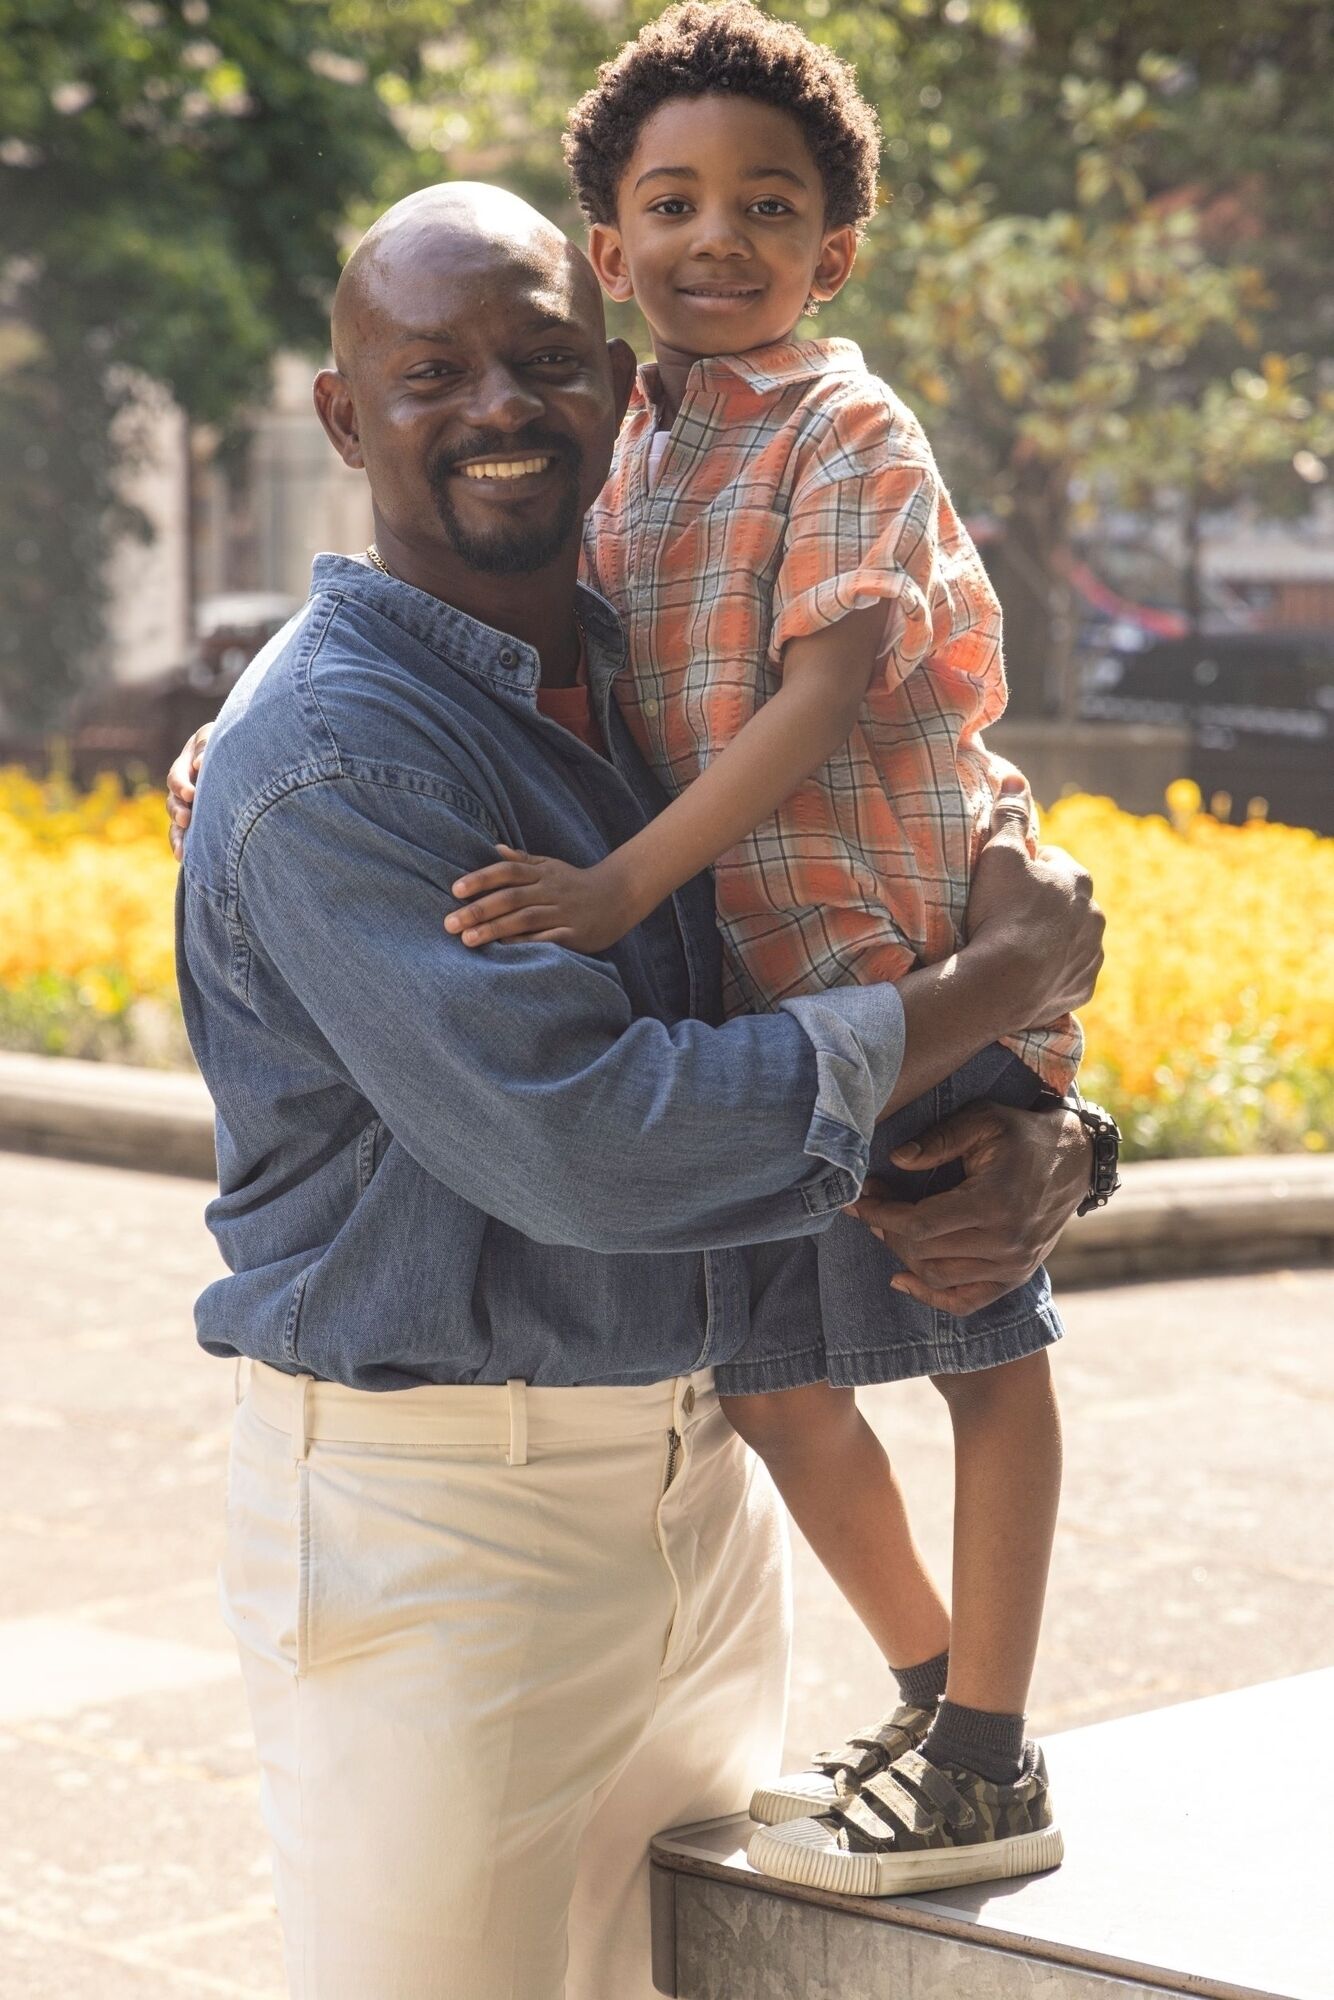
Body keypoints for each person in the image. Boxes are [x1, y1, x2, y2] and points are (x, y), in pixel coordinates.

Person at [171, 181, 1103, 1999]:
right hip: (440, 1536)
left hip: (701, 1489)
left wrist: (1048, 1123)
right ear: (345, 417)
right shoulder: (334, 750)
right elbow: (594, 1143)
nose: (497, 408)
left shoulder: (657, 660)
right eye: (430, 374)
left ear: (614, 385)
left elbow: (887, 809)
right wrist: (987, 989)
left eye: (536, 362)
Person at [432, 3, 1100, 1897]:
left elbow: (817, 698)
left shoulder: (845, 426)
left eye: (765, 202)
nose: (716, 235)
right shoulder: (620, 447)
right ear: (609, 241)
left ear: (835, 247)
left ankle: (990, 1749)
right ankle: (924, 1689)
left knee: (976, 1337)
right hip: (757, 1021)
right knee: (774, 1380)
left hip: (888, 959)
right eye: (672, 201)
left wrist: (624, 889)